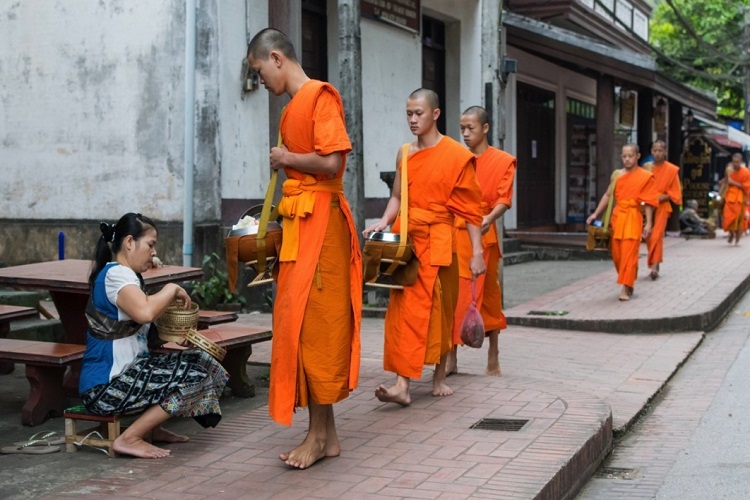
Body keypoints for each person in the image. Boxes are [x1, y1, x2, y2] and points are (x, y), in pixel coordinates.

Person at [247, 28, 362, 469]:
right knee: (301, 323)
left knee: (319, 326)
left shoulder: (320, 96)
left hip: (324, 226)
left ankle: (316, 437)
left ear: (277, 58)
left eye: (260, 73)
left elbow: (333, 162)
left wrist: (287, 159)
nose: (261, 84)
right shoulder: (291, 110)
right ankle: (326, 435)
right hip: (301, 224)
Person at [363, 88, 485, 406]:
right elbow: (397, 197)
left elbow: (472, 211)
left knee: (440, 313)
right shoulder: (405, 153)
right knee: (404, 312)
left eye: (418, 113)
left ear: (435, 114)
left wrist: (477, 252)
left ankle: (439, 375)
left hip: (440, 241)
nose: (413, 120)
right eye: (408, 114)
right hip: (408, 243)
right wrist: (383, 222)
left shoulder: (457, 155)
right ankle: (402, 384)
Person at [80, 212, 229, 459]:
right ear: (129, 243)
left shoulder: (127, 276)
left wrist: (170, 337)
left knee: (202, 362)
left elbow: (135, 329)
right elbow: (146, 312)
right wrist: (171, 288)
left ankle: (153, 428)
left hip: (129, 374)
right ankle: (130, 438)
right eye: (150, 245)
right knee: (195, 377)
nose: (153, 252)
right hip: (105, 388)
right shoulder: (116, 276)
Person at [448, 106, 516, 377]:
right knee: (457, 296)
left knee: (488, 296)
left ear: (485, 128)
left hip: (485, 234)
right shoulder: (456, 159)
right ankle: (451, 356)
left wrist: (489, 217)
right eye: (462, 128)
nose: (465, 134)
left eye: (471, 128)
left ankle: (493, 354)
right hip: (457, 232)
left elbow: (504, 198)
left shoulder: (503, 161)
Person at [586, 144, 658, 301]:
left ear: (637, 156)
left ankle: (625, 289)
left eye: (630, 156)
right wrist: (595, 213)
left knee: (629, 253)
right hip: (617, 218)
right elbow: (607, 195)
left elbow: (648, 202)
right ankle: (629, 280)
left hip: (633, 216)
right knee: (618, 255)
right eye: (624, 156)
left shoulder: (645, 176)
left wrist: (649, 223)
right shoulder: (617, 175)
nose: (627, 159)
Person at [645, 140, 682, 280]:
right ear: (651, 152)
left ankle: (654, 266)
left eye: (660, 151)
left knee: (657, 235)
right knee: (648, 235)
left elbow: (675, 194)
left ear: (665, 152)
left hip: (662, 206)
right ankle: (656, 259)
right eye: (654, 150)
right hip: (647, 205)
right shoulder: (646, 168)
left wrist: (660, 198)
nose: (657, 153)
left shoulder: (672, 170)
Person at [719, 153, 750, 245]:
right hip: (729, 197)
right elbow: (726, 180)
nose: (735, 164)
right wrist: (722, 184)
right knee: (727, 217)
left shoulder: (746, 172)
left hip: (740, 198)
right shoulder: (729, 170)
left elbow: (747, 186)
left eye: (737, 162)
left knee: (739, 220)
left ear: (741, 162)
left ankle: (737, 238)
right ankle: (731, 233)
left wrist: (734, 182)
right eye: (733, 162)